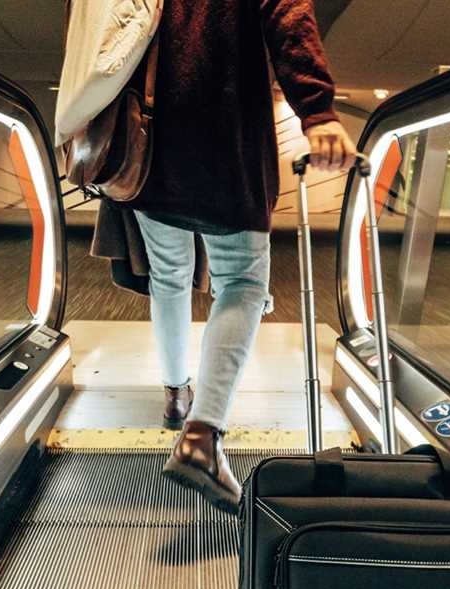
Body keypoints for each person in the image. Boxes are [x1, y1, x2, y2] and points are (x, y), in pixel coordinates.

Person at [122, 0, 356, 513]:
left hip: (148, 143)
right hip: (227, 141)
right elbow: (288, 16)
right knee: (243, 286)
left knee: (169, 277)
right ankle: (201, 435)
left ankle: (175, 394)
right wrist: (317, 111)